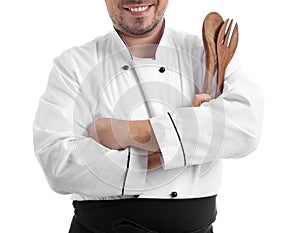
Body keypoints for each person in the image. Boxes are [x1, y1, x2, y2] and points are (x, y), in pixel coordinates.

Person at [33, 0, 264, 232]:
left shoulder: (205, 54)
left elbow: (247, 126)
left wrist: (130, 132)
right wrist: (190, 134)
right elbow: (58, 164)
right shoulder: (74, 66)